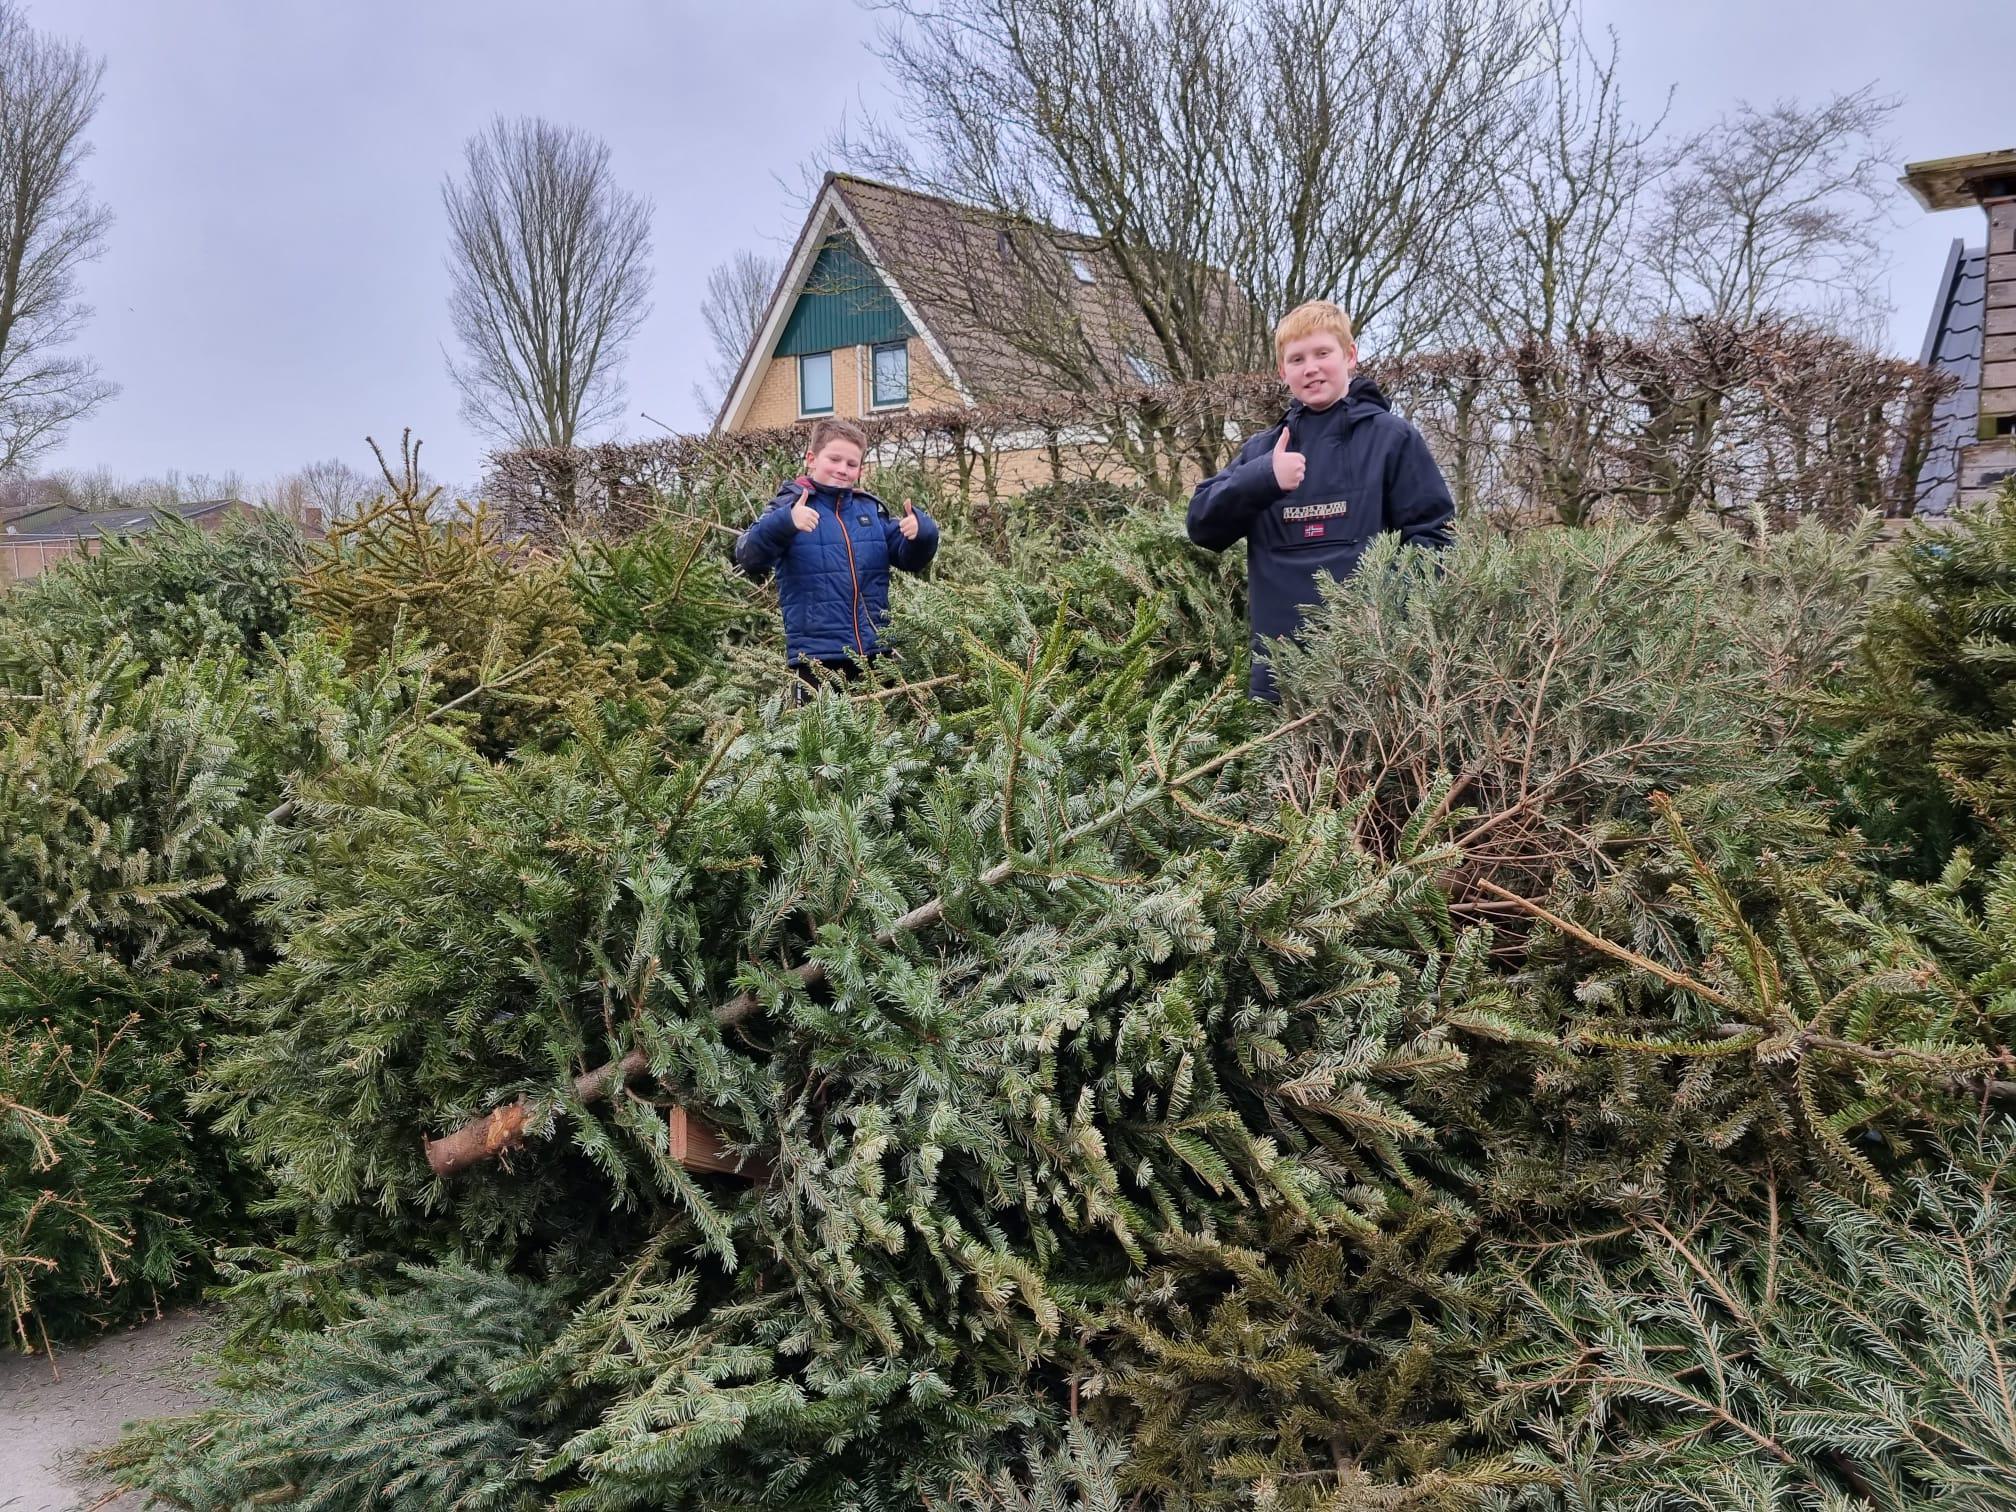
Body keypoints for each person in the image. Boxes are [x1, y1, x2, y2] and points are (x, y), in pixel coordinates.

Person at [1186, 299, 1453, 701]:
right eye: (1296, 358)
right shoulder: (1263, 451)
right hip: (1282, 676)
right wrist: (1263, 478)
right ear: (1282, 371)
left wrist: (1388, 619)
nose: (1310, 367)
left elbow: (1434, 538)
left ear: (1349, 356)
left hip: (1374, 670)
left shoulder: (1393, 439)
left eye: (1322, 353)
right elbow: (1202, 526)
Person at [733, 417, 940, 698]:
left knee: (885, 736)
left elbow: (910, 560)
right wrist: (786, 522)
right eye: (834, 459)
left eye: (851, 464)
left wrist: (922, 533)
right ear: (812, 458)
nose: (842, 469)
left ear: (860, 469)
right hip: (817, 659)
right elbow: (748, 556)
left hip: (877, 652)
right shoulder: (791, 506)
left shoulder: (869, 511)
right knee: (821, 739)